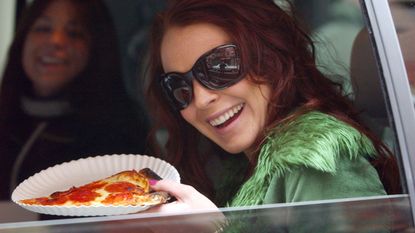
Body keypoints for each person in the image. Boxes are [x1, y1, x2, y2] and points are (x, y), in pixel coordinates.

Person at [143, 0, 401, 231]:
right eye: (179, 86)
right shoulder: (241, 170)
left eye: (220, 66)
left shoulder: (320, 160)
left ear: (269, 59)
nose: (201, 99)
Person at [0, 0, 149, 201]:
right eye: (43, 28)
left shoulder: (119, 134)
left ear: (96, 49)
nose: (55, 41)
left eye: (74, 33)